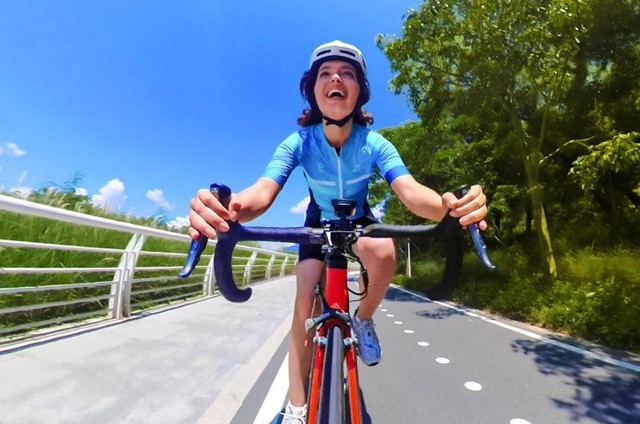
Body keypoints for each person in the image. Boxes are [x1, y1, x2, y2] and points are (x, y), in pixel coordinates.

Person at [188, 40, 488, 424]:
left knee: (383, 254)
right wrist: (226, 209)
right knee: (304, 298)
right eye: (325, 74)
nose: (336, 79)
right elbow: (262, 193)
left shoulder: (375, 143)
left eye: (348, 74)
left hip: (360, 216)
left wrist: (449, 207)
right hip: (319, 219)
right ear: (313, 90)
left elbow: (411, 192)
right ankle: (297, 408)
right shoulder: (298, 141)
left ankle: (362, 319)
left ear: (359, 92)